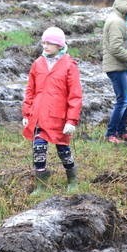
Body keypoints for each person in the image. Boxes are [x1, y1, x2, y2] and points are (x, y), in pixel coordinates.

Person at [22, 27, 82, 191]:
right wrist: (27, 112)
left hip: (58, 117)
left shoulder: (69, 65)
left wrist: (71, 120)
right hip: (39, 116)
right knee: (38, 149)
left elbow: (75, 95)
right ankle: (41, 184)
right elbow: (30, 90)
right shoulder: (38, 64)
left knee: (63, 150)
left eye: (50, 43)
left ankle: (72, 179)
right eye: (44, 42)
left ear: (59, 46)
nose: (46, 46)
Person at [102, 0, 127, 144]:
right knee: (122, 100)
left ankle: (122, 131)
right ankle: (111, 134)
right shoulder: (116, 22)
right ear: (125, 7)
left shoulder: (120, 19)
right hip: (116, 67)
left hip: (121, 66)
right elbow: (115, 48)